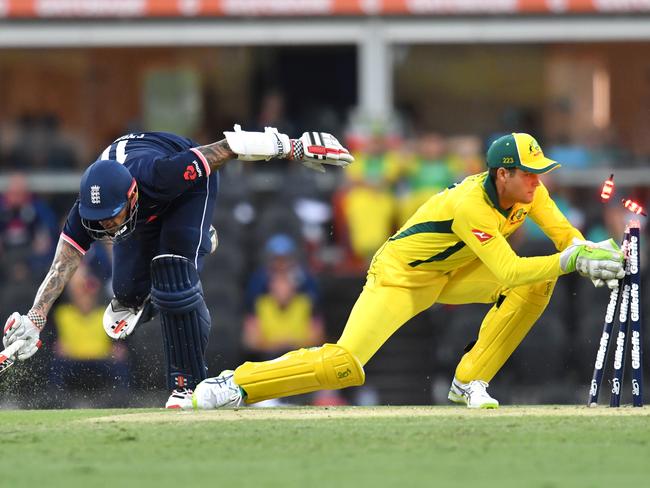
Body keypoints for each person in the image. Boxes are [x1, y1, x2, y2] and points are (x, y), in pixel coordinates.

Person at [192, 132, 625, 410]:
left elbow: (566, 237)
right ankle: (238, 385)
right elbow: (510, 271)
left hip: (450, 275)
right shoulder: (470, 204)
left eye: (539, 174)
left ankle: (470, 381)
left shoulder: (530, 193)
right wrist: (573, 261)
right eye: (528, 174)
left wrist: (598, 255)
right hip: (400, 276)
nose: (536, 182)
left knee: (541, 282)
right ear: (503, 173)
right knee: (345, 366)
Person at [2, 126, 352, 409]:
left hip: (186, 191)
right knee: (125, 298)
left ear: (131, 197)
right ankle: (190, 244)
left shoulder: (161, 175)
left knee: (173, 270)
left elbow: (229, 147)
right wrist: (36, 316)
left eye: (112, 220)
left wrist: (294, 147)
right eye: (99, 224)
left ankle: (187, 386)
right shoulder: (91, 209)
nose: (107, 230)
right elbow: (64, 262)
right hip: (144, 211)